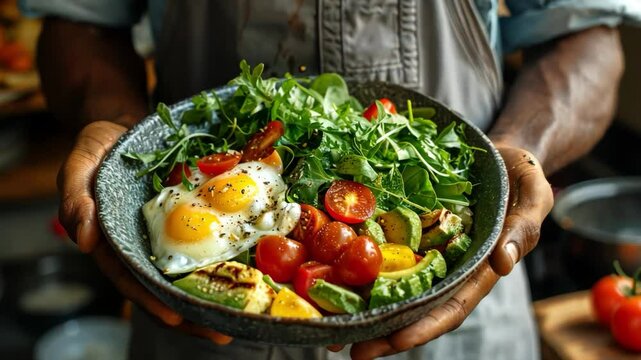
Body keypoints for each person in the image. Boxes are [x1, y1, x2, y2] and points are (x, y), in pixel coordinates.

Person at [20, 0, 638, 359]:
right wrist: (125, 139)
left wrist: (517, 150)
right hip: (197, 334)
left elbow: (584, 32)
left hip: (464, 307)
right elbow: (79, 20)